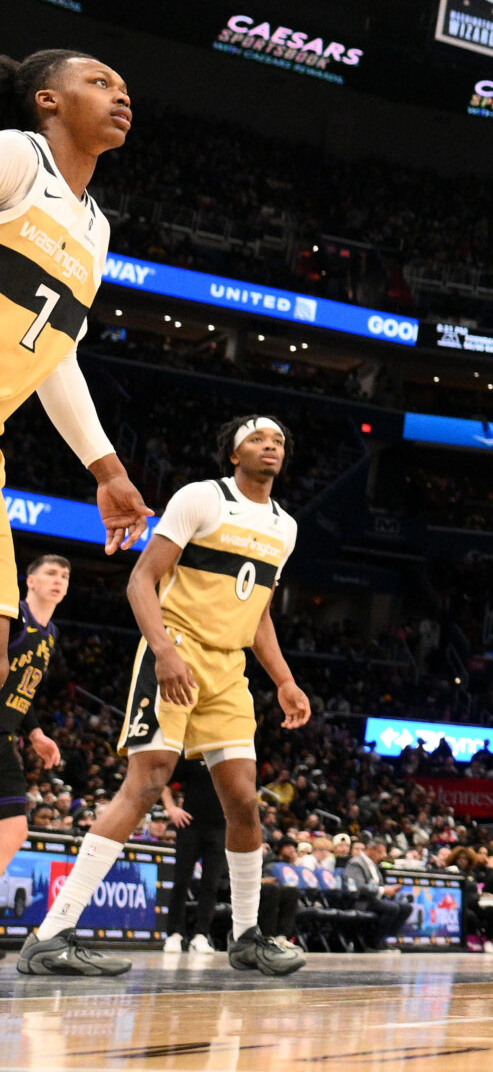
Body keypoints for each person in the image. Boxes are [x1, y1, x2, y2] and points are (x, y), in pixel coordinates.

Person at [17, 416, 307, 978]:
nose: (270, 445)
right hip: (175, 646)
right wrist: (165, 652)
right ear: (233, 454)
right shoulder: (201, 498)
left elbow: (260, 613)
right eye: (257, 438)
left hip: (229, 669)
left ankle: (245, 936)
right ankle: (51, 934)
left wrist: (285, 679)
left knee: (244, 801)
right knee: (147, 781)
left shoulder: (286, 527)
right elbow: (140, 579)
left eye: (278, 440)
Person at [0, 53, 154, 694]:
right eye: (100, 82)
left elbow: (55, 354)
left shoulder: (96, 229)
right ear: (48, 100)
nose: (121, 95)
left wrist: (109, 471)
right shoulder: (16, 156)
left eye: (124, 87)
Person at [1, 552, 69, 914]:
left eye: (65, 576)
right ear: (30, 580)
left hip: (6, 734)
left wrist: (37, 733)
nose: (58, 580)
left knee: (13, 829)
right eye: (51, 573)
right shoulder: (12, 618)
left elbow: (22, 688)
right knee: (12, 828)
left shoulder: (50, 633)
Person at [159, 756, 225, 952]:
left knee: (211, 884)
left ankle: (201, 935)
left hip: (220, 828)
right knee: (181, 881)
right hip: (190, 826)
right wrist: (171, 808)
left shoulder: (228, 757)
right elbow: (164, 782)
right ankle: (174, 934)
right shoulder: (192, 756)